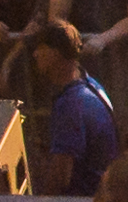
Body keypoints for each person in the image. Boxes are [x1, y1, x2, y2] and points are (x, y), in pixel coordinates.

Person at [17, 25, 121, 192]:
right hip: (101, 196)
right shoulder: (93, 86)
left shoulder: (71, 104)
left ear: (55, 53)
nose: (35, 54)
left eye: (40, 48)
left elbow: (60, 177)